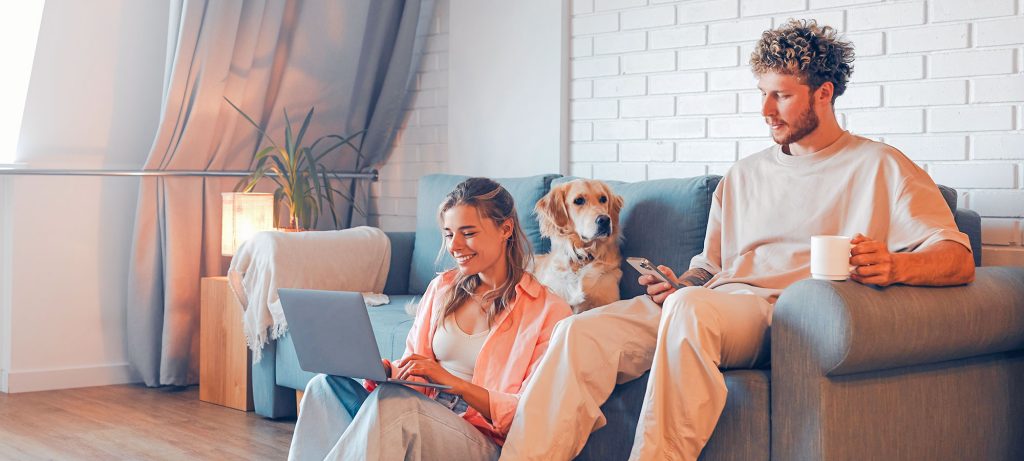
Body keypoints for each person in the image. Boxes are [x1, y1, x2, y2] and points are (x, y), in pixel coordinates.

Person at [499, 19, 975, 461]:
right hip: (710, 302)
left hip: (780, 314)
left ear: (824, 93)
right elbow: (708, 266)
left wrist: (894, 265)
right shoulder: (743, 175)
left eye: (782, 96)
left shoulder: (880, 165)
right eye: (763, 94)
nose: (766, 110)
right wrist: (679, 282)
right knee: (579, 332)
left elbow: (957, 258)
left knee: (690, 311)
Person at [288, 178, 572, 460]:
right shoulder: (442, 289)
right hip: (423, 415)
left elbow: (526, 414)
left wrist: (453, 382)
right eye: (449, 234)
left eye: (468, 233)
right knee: (323, 386)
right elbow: (416, 369)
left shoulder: (547, 311)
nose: (455, 245)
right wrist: (389, 372)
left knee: (398, 407)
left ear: (505, 229)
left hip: (481, 440)